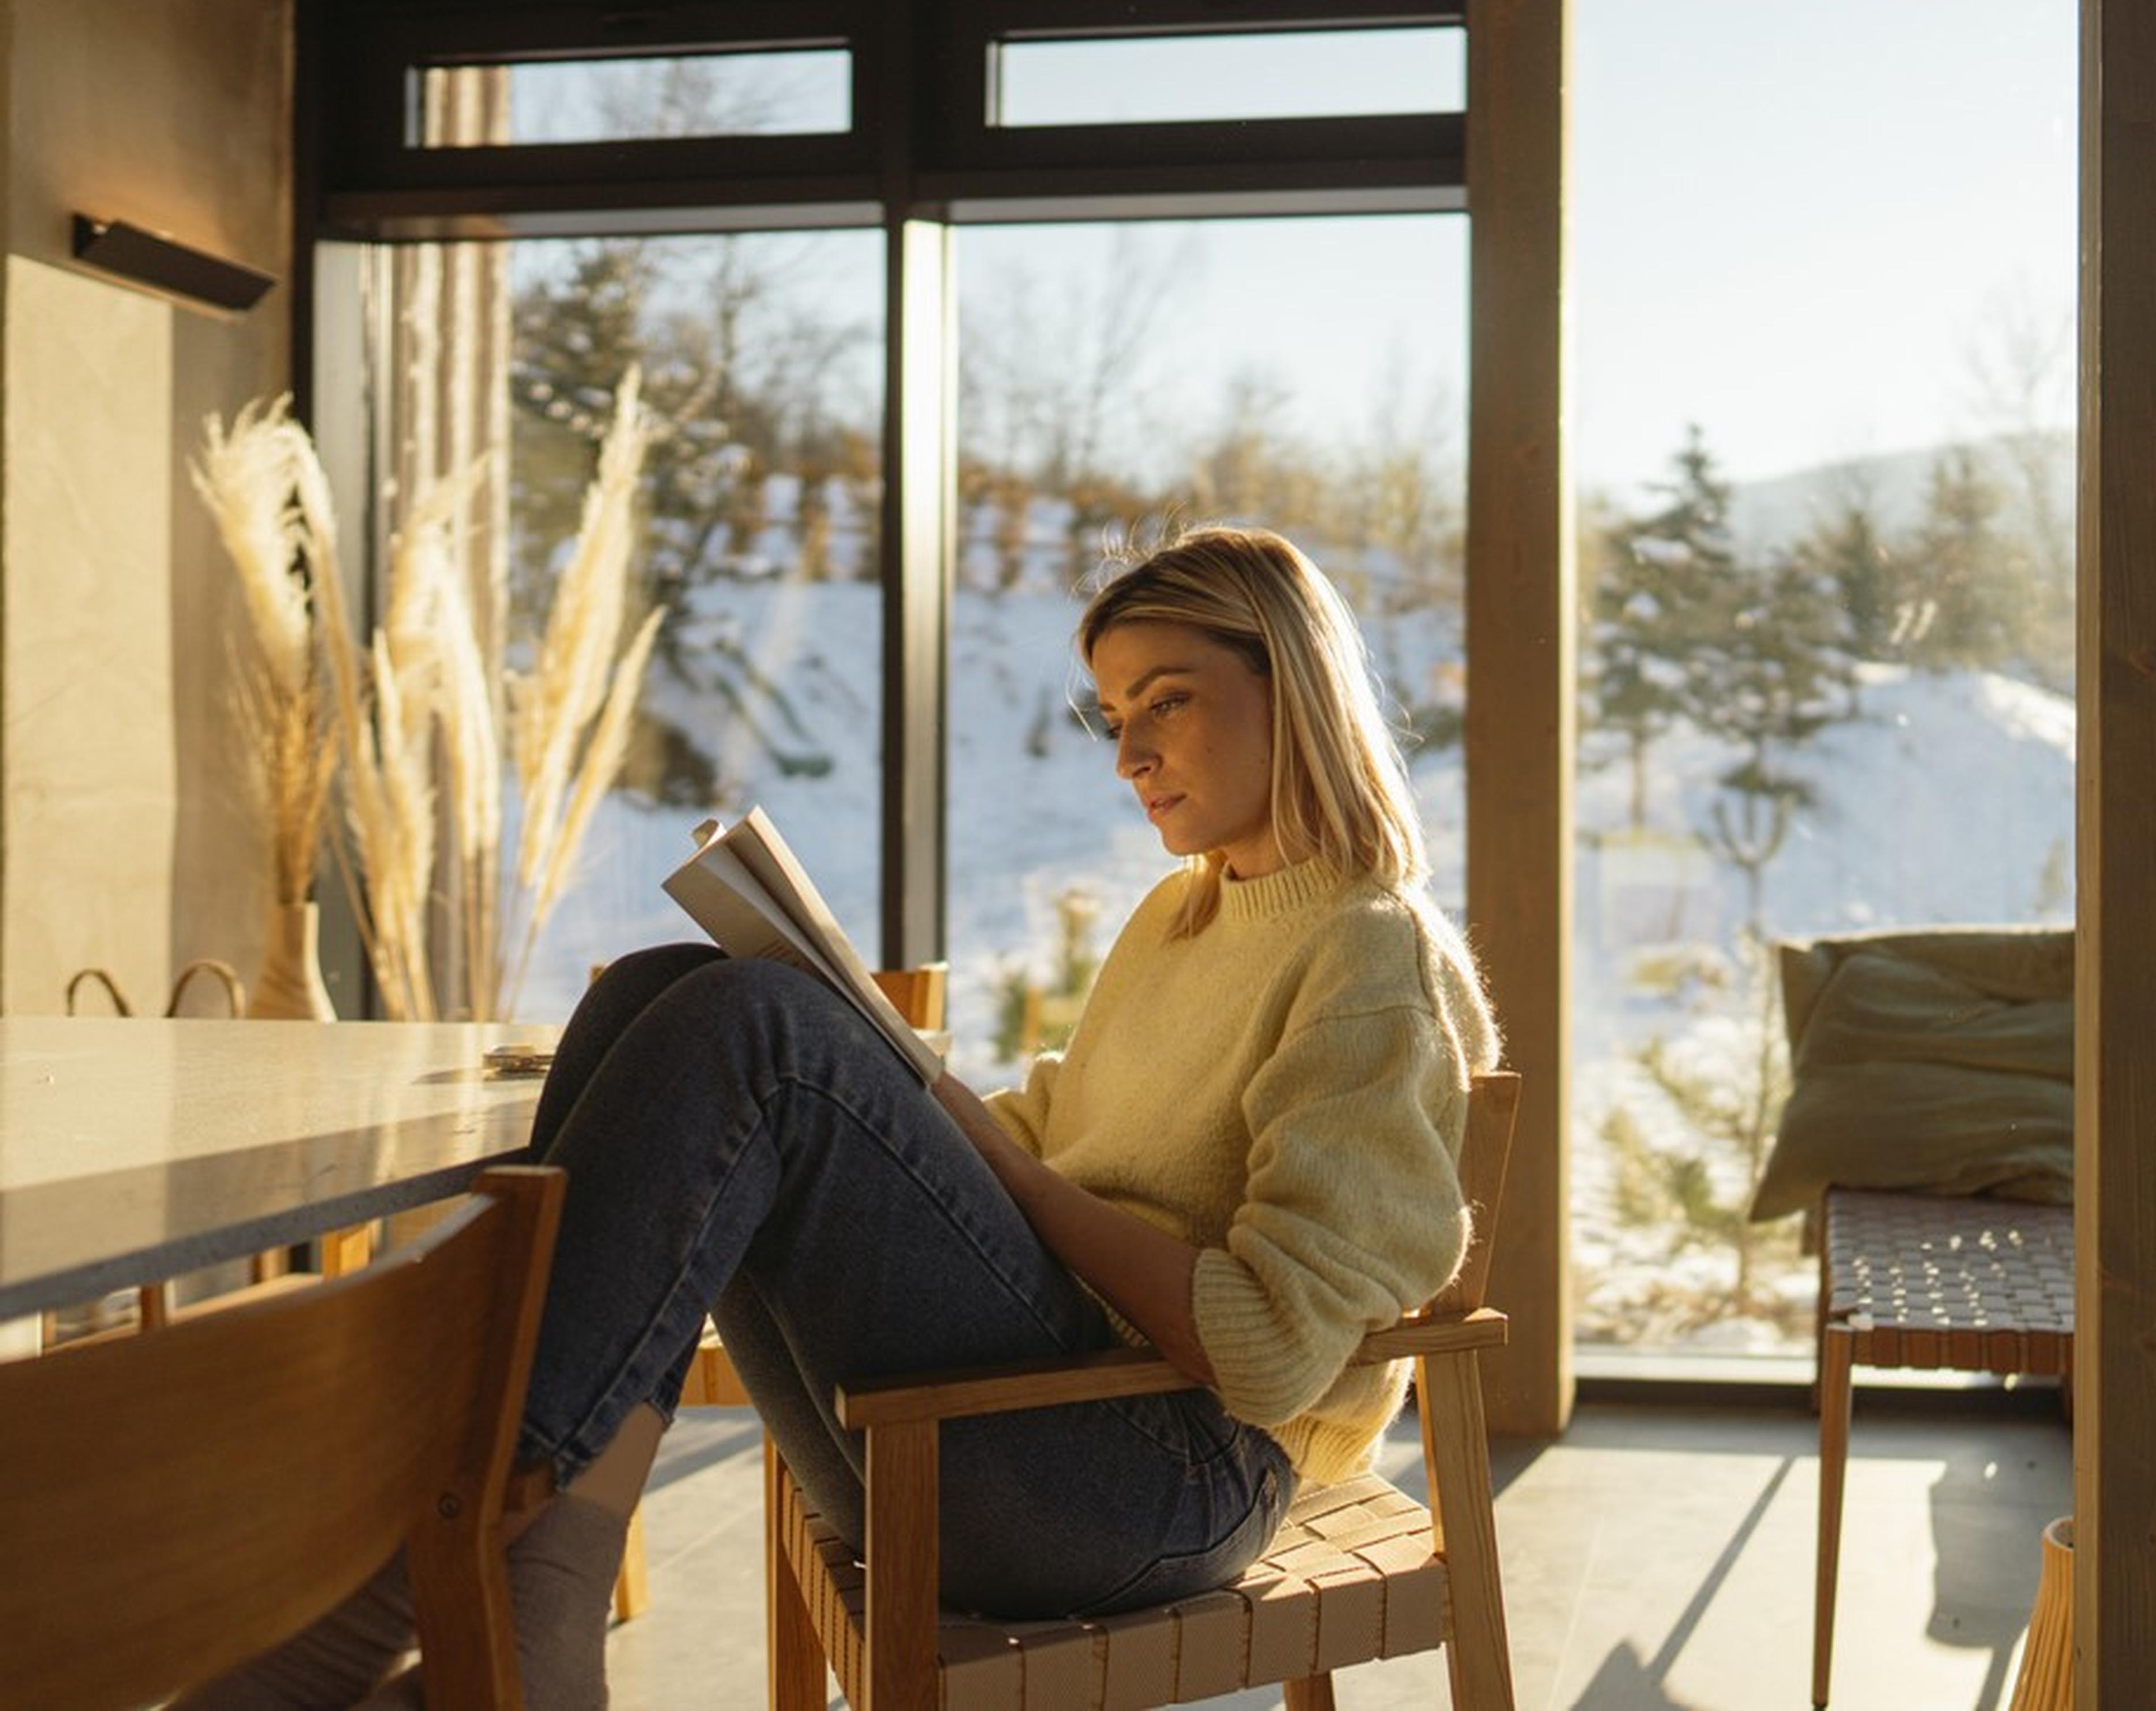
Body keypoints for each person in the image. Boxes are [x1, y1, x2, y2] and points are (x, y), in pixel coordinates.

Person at [185, 522, 1498, 1711]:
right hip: (971, 1436)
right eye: (1110, 714)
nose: (1130, 753)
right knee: (672, 981)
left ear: (1297, 683)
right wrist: (903, 1081)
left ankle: (443, 1559)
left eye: (1168, 700)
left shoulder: (1368, 954)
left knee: (764, 1030)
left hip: (1161, 1481)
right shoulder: (1184, 913)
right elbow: (1061, 1136)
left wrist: (954, 1139)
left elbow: (1269, 1350)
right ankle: (534, 1575)